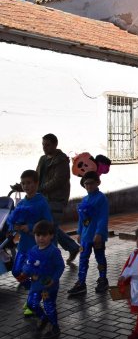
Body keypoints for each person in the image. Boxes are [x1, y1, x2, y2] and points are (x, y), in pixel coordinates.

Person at [8, 170, 53, 316]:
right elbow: (13, 220)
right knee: (16, 271)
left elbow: (49, 223)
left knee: (34, 274)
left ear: (36, 183)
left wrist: (32, 227)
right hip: (23, 245)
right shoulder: (21, 203)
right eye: (23, 183)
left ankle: (32, 301)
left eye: (29, 183)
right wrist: (13, 227)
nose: (26, 186)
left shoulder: (41, 202)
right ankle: (35, 290)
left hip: (36, 247)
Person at [36, 134, 79, 262]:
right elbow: (36, 176)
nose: (44, 147)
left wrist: (39, 188)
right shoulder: (43, 159)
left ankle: (51, 261)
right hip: (43, 198)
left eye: (47, 145)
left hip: (56, 199)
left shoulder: (61, 160)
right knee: (51, 228)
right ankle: (72, 247)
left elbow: (57, 181)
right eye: (43, 144)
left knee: (50, 231)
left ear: (55, 144)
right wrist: (27, 185)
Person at [18, 220, 64, 339]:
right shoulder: (33, 249)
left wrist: (53, 279)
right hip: (35, 285)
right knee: (31, 304)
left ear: (51, 236)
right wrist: (24, 272)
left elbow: (60, 266)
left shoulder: (53, 251)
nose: (40, 238)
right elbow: (28, 264)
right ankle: (44, 318)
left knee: (49, 306)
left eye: (44, 235)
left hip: (49, 286)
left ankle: (55, 326)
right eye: (38, 235)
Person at [67, 171, 109, 296]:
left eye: (91, 183)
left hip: (97, 236)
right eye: (86, 184)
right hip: (85, 236)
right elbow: (81, 219)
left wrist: (99, 233)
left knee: (99, 257)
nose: (89, 186)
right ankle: (81, 283)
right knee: (83, 258)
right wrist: (79, 232)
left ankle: (103, 279)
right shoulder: (85, 199)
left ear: (98, 183)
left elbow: (103, 217)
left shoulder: (102, 198)